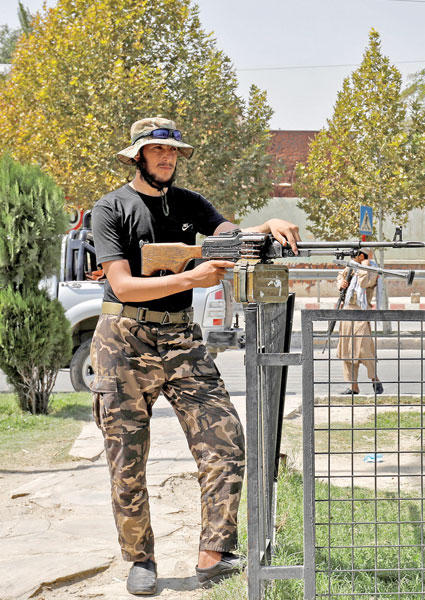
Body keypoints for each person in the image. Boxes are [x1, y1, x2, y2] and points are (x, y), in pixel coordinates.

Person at [90, 117, 300, 595]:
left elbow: (231, 234)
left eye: (173, 153)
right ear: (138, 155)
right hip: (123, 340)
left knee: (225, 440)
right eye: (158, 152)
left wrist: (266, 224)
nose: (168, 159)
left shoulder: (191, 204)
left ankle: (214, 554)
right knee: (127, 456)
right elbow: (122, 284)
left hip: (182, 338)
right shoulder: (111, 210)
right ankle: (140, 561)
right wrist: (191, 278)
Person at [337, 250, 384, 396]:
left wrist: (365, 266)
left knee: (365, 350)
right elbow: (340, 279)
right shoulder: (349, 268)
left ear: (362, 257)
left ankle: (374, 379)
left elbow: (365, 282)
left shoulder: (372, 270)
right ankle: (353, 386)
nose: (352, 258)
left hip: (362, 313)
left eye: (355, 255)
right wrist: (341, 284)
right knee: (347, 351)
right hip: (347, 312)